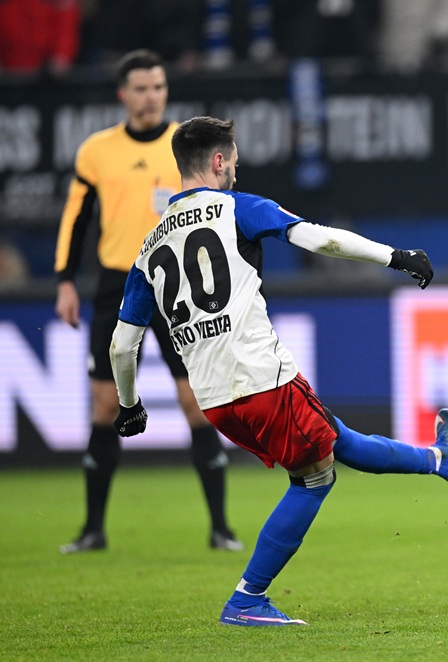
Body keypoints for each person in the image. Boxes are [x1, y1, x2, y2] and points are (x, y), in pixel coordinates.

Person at [109, 115, 448, 626]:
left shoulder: (148, 248)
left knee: (335, 439)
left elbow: (124, 345)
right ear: (218, 161)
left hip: (214, 399)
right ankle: (246, 599)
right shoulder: (238, 207)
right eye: (233, 160)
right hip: (261, 377)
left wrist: (129, 406)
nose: (236, 169)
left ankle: (440, 459)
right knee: (314, 478)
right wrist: (396, 257)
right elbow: (321, 241)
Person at [54, 50, 242, 554]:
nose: (151, 96)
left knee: (195, 402)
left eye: (158, 87)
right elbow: (75, 218)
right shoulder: (97, 150)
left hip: (176, 283)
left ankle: (221, 528)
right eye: (141, 88)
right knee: (104, 403)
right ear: (123, 94)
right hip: (117, 284)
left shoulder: (185, 146)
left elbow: (222, 209)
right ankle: (93, 530)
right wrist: (65, 280)